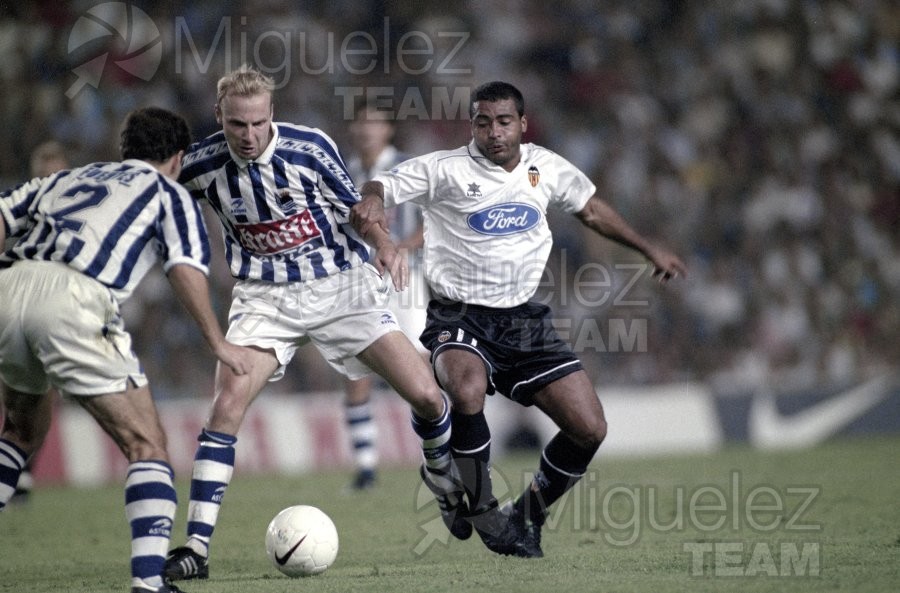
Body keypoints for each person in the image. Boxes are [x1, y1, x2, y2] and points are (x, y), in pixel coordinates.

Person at [352, 81, 688, 557]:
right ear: (472, 125)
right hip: (458, 314)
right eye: (483, 122)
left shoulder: (544, 167)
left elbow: (591, 209)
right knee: (466, 388)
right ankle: (483, 507)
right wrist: (373, 199)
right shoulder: (445, 169)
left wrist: (648, 248)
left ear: (522, 124)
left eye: (504, 122)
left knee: (589, 427)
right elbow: (383, 183)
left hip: (524, 320)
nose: (494, 132)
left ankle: (527, 515)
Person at [163, 65, 465, 581]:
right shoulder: (202, 162)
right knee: (226, 407)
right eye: (237, 125)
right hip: (263, 299)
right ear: (219, 116)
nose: (249, 135)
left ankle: (440, 474)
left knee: (428, 396)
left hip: (340, 288)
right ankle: (195, 548)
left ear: (272, 114)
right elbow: (153, 190)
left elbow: (357, 210)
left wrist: (385, 244)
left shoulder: (309, 148)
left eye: (258, 123)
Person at [0, 107, 252, 593]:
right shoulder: (169, 194)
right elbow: (185, 269)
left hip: (8, 287)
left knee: (18, 432)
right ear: (178, 158)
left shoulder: (68, 177)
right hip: (74, 297)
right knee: (146, 444)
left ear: (125, 150)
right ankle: (149, 583)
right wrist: (217, 340)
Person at [340, 104, 428, 491]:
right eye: (361, 122)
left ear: (389, 129)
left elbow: (435, 219)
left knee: (421, 367)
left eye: (374, 122)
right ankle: (366, 469)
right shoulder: (344, 171)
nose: (366, 129)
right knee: (356, 368)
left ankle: (441, 453)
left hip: (405, 278)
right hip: (359, 282)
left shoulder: (407, 168)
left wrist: (401, 248)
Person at [4, 139, 73, 504]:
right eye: (44, 176)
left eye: (56, 176)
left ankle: (24, 471)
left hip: (56, 313)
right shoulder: (15, 212)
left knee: (42, 393)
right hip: (13, 308)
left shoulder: (80, 219)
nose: (50, 184)